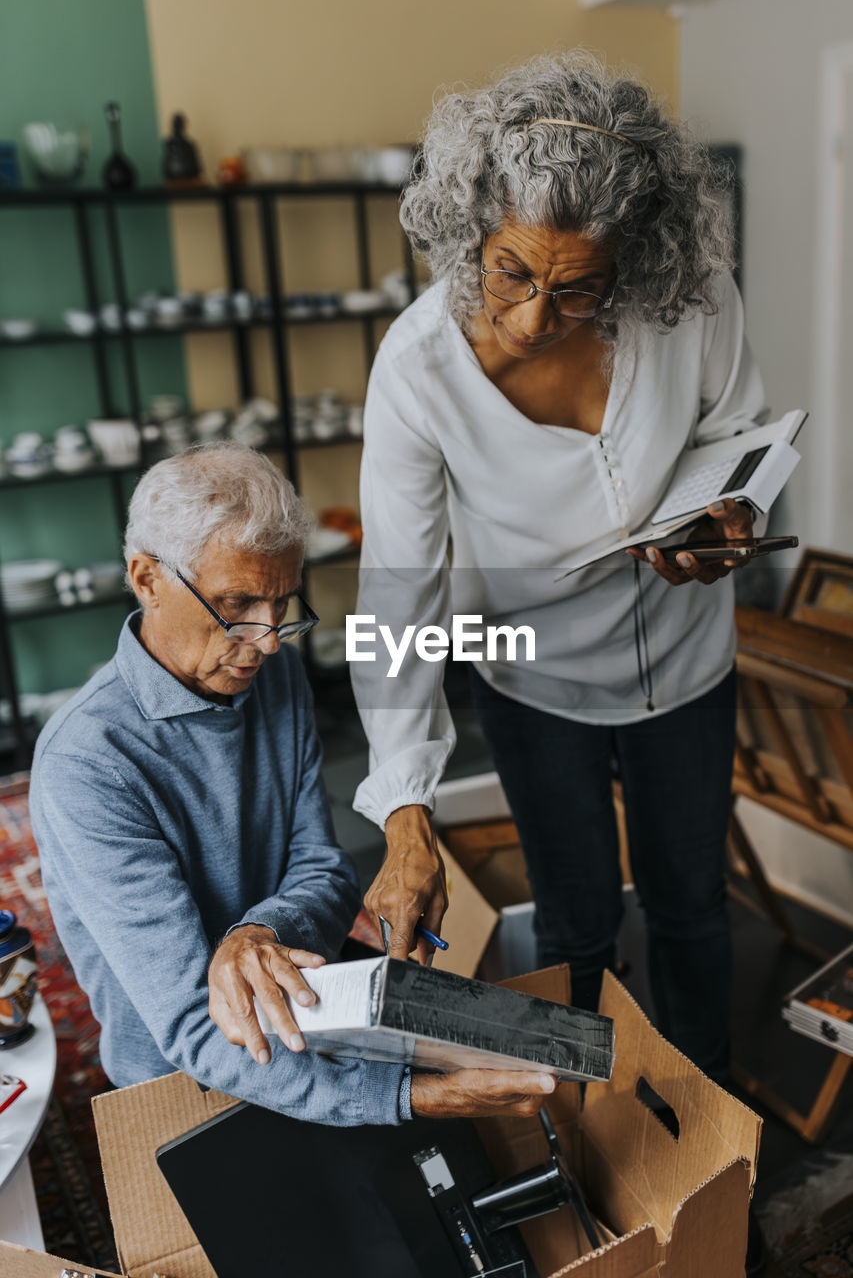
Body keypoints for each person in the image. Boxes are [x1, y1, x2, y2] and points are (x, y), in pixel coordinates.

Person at [352, 51, 770, 1086]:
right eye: (513, 272)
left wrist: (729, 522)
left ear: (634, 260)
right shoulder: (416, 369)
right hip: (529, 676)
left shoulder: (693, 299)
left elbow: (741, 440)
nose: (536, 316)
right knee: (578, 919)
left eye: (577, 287)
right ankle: (595, 1112)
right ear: (468, 232)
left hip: (685, 660)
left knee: (689, 903)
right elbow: (399, 589)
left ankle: (706, 1112)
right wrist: (405, 807)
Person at [29, 442, 554, 1126]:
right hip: (186, 1081)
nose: (269, 638)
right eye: (235, 603)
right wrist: (408, 1097)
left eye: (281, 604)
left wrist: (257, 931)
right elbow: (192, 1023)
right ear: (146, 578)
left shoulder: (273, 672)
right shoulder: (86, 763)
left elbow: (324, 870)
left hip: (317, 1019)